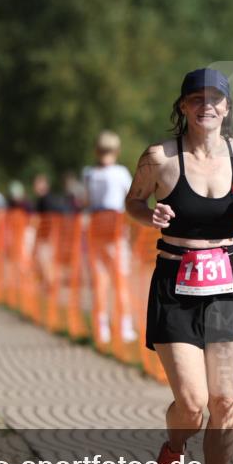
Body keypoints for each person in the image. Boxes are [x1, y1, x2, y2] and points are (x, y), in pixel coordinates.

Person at [125, 68, 233, 464]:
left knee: (225, 401)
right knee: (193, 403)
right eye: (196, 99)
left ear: (227, 107)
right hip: (175, 283)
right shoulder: (160, 158)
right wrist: (151, 215)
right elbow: (133, 202)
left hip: (228, 283)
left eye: (215, 99)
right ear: (183, 106)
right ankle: (172, 451)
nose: (206, 106)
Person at [84, 130, 137, 344]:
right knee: (120, 281)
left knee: (100, 282)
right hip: (115, 230)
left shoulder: (89, 173)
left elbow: (86, 201)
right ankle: (124, 327)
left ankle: (102, 327)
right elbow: (132, 199)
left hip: (95, 228)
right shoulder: (120, 173)